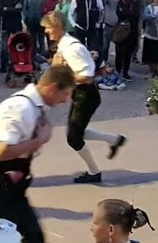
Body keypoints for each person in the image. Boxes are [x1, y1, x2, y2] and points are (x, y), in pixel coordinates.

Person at [0, 65, 75, 243]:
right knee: (12, 242)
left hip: (13, 186)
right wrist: (39, 141)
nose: (65, 100)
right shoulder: (20, 108)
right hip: (0, 185)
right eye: (65, 94)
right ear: (53, 88)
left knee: (32, 240)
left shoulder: (32, 107)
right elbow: (1, 153)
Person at [45, 10, 128, 184]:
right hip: (80, 94)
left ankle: (94, 172)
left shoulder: (72, 48)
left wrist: (63, 73)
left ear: (57, 26)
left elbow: (87, 77)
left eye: (48, 27)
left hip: (86, 95)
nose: (46, 31)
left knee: (74, 138)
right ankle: (114, 140)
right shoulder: (64, 45)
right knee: (76, 132)